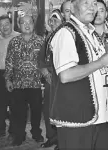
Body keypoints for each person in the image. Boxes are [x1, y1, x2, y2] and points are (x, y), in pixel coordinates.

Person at [48, 0, 108, 150]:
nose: (91, 8)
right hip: (77, 119)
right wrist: (102, 62)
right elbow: (65, 75)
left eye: (94, 3)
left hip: (100, 116)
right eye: (85, 3)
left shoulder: (92, 33)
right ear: (72, 7)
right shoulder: (66, 33)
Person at [5, 15, 45, 146]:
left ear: (33, 24)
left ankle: (36, 133)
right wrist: (8, 79)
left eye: (29, 22)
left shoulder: (41, 41)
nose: (27, 25)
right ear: (19, 25)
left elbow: (45, 62)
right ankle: (19, 135)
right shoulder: (14, 42)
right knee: (18, 112)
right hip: (18, 83)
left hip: (35, 83)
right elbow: (9, 62)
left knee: (36, 111)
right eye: (23, 23)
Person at [0, 15, 19, 140]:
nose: (4, 27)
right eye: (1, 25)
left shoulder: (18, 37)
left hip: (14, 74)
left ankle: (14, 130)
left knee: (14, 104)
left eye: (6, 24)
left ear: (11, 24)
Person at [38, 9, 65, 150]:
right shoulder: (47, 38)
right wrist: (44, 72)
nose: (52, 23)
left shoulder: (66, 36)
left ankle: (61, 140)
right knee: (48, 109)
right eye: (51, 20)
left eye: (56, 20)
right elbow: (41, 59)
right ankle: (51, 137)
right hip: (49, 81)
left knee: (60, 110)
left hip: (62, 80)